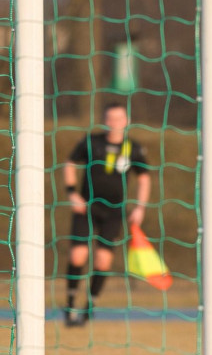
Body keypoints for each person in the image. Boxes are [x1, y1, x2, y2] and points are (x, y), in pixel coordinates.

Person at [63, 102, 151, 326]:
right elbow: (70, 163)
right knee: (78, 255)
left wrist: (140, 207)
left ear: (126, 121)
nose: (115, 123)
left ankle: (89, 306)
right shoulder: (91, 142)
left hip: (114, 211)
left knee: (103, 261)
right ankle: (70, 302)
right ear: (105, 120)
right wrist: (72, 193)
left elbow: (144, 178)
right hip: (86, 207)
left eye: (119, 118)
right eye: (110, 118)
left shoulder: (133, 148)